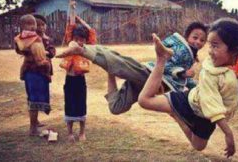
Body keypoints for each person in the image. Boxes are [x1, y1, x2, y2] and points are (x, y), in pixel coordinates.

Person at [137, 0, 238, 158]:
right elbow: (212, 104)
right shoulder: (209, 72)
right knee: (144, 100)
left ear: (234, 49)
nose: (209, 51)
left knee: (198, 146)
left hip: (208, 117)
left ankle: (174, 113)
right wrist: (228, 134)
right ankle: (161, 60)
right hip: (193, 103)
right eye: (210, 45)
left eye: (215, 46)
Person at [56, 21, 207, 115]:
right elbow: (167, 67)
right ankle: (82, 50)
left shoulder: (191, 59)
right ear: (187, 36)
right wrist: (182, 73)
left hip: (154, 87)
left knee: (116, 108)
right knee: (122, 64)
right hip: (150, 76)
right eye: (195, 37)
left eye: (202, 40)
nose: (198, 42)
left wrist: (196, 85)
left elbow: (184, 82)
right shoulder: (180, 48)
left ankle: (109, 70)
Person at [60, 0, 96, 141]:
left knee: (81, 105)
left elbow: (92, 32)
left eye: (82, 39)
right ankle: (69, 132)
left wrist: (82, 21)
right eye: (76, 39)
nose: (79, 42)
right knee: (69, 104)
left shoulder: (86, 49)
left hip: (80, 81)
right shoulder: (71, 43)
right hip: (69, 80)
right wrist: (73, 10)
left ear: (85, 40)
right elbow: (71, 25)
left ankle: (82, 132)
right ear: (73, 38)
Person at [13, 14, 51, 136]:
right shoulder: (23, 38)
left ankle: (35, 122)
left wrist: (47, 52)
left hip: (41, 72)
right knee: (34, 98)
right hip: (33, 72)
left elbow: (51, 51)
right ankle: (32, 128)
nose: (35, 27)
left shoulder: (44, 39)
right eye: (32, 24)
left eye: (37, 24)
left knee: (36, 97)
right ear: (22, 26)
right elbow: (20, 49)